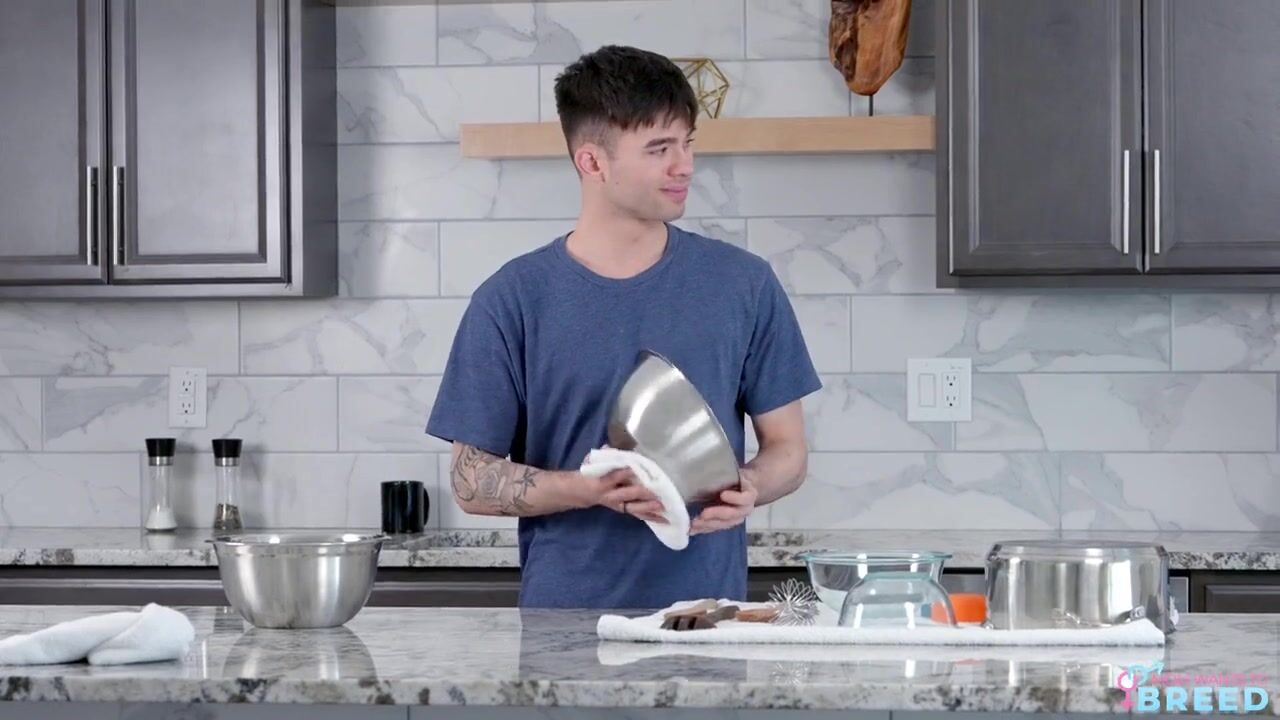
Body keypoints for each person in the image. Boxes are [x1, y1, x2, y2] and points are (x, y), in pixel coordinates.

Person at [425, 44, 822, 609]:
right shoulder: (510, 300)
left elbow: (789, 451)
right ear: (593, 163)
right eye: (659, 148)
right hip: (561, 631)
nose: (684, 165)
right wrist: (586, 489)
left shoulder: (744, 284)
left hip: (707, 621)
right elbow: (470, 480)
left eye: (686, 143)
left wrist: (751, 485)